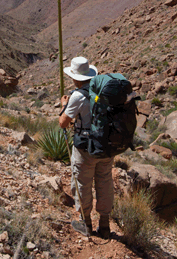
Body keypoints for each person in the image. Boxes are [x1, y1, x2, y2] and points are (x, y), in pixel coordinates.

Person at [59, 56, 114, 238]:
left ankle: (87, 224)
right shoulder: (104, 91)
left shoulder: (77, 96)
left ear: (75, 77)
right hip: (106, 146)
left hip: (85, 149)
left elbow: (63, 123)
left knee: (83, 183)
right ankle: (105, 226)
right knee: (105, 182)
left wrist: (64, 106)